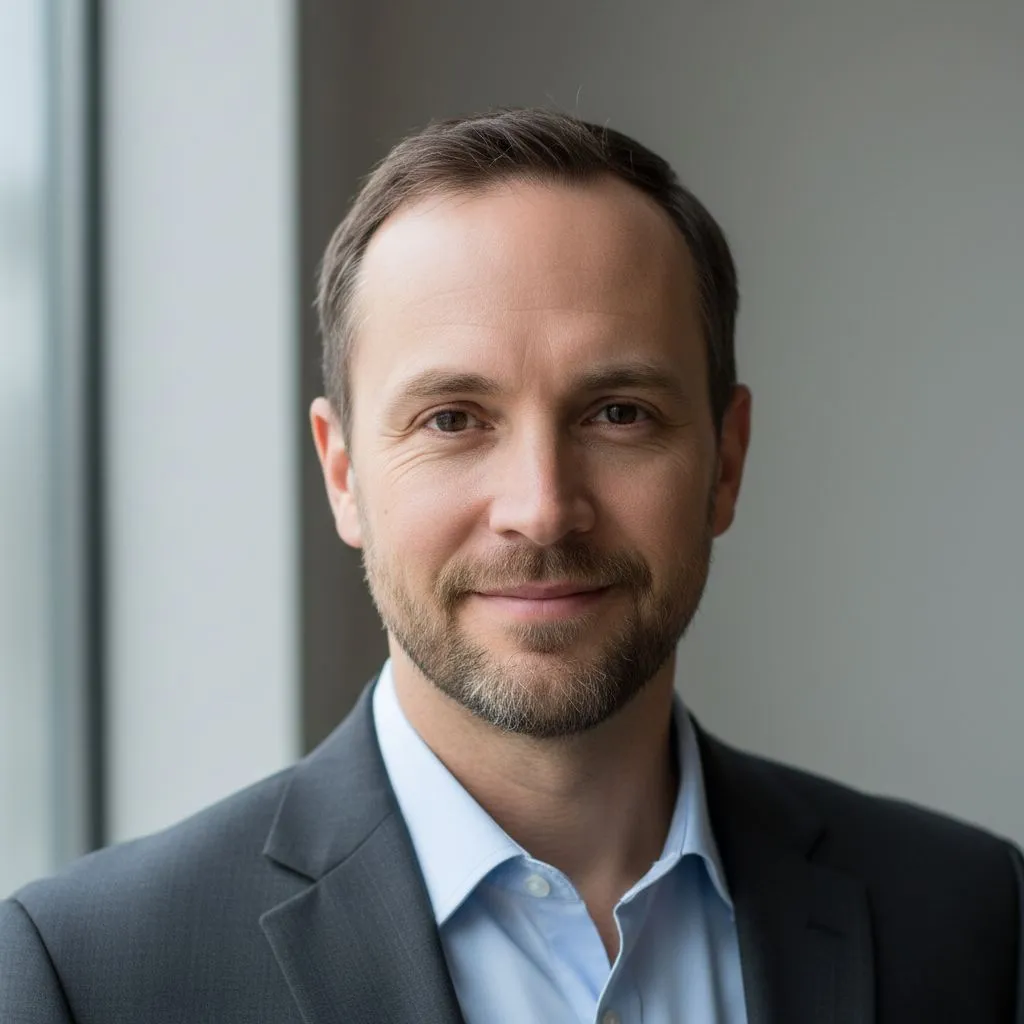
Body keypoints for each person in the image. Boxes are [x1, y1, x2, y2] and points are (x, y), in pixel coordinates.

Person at [2, 108, 1021, 1024]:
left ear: (726, 460)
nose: (540, 508)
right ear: (344, 473)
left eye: (618, 413)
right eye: (452, 419)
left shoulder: (974, 920)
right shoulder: (88, 979)